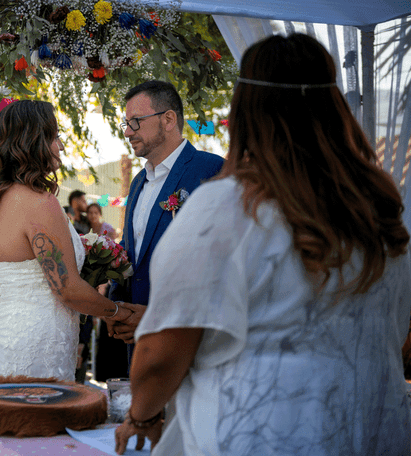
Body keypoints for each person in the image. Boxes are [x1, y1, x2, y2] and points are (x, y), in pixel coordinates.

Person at [114, 34, 411, 456]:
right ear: (334, 110)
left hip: (262, 435)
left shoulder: (226, 205)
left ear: (246, 113)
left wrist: (141, 415)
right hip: (375, 429)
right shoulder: (380, 209)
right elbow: (397, 333)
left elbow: (163, 351)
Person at [0, 99, 133, 382]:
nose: (60, 145)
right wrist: (117, 312)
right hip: (37, 347)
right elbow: (68, 289)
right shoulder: (39, 203)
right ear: (33, 141)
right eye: (54, 136)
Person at [108, 80, 224, 364]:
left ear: (168, 119)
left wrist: (156, 317)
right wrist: (116, 307)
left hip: (189, 338)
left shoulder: (211, 170)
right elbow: (131, 251)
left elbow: (219, 263)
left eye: (135, 121)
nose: (127, 132)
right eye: (125, 123)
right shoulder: (137, 182)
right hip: (138, 340)